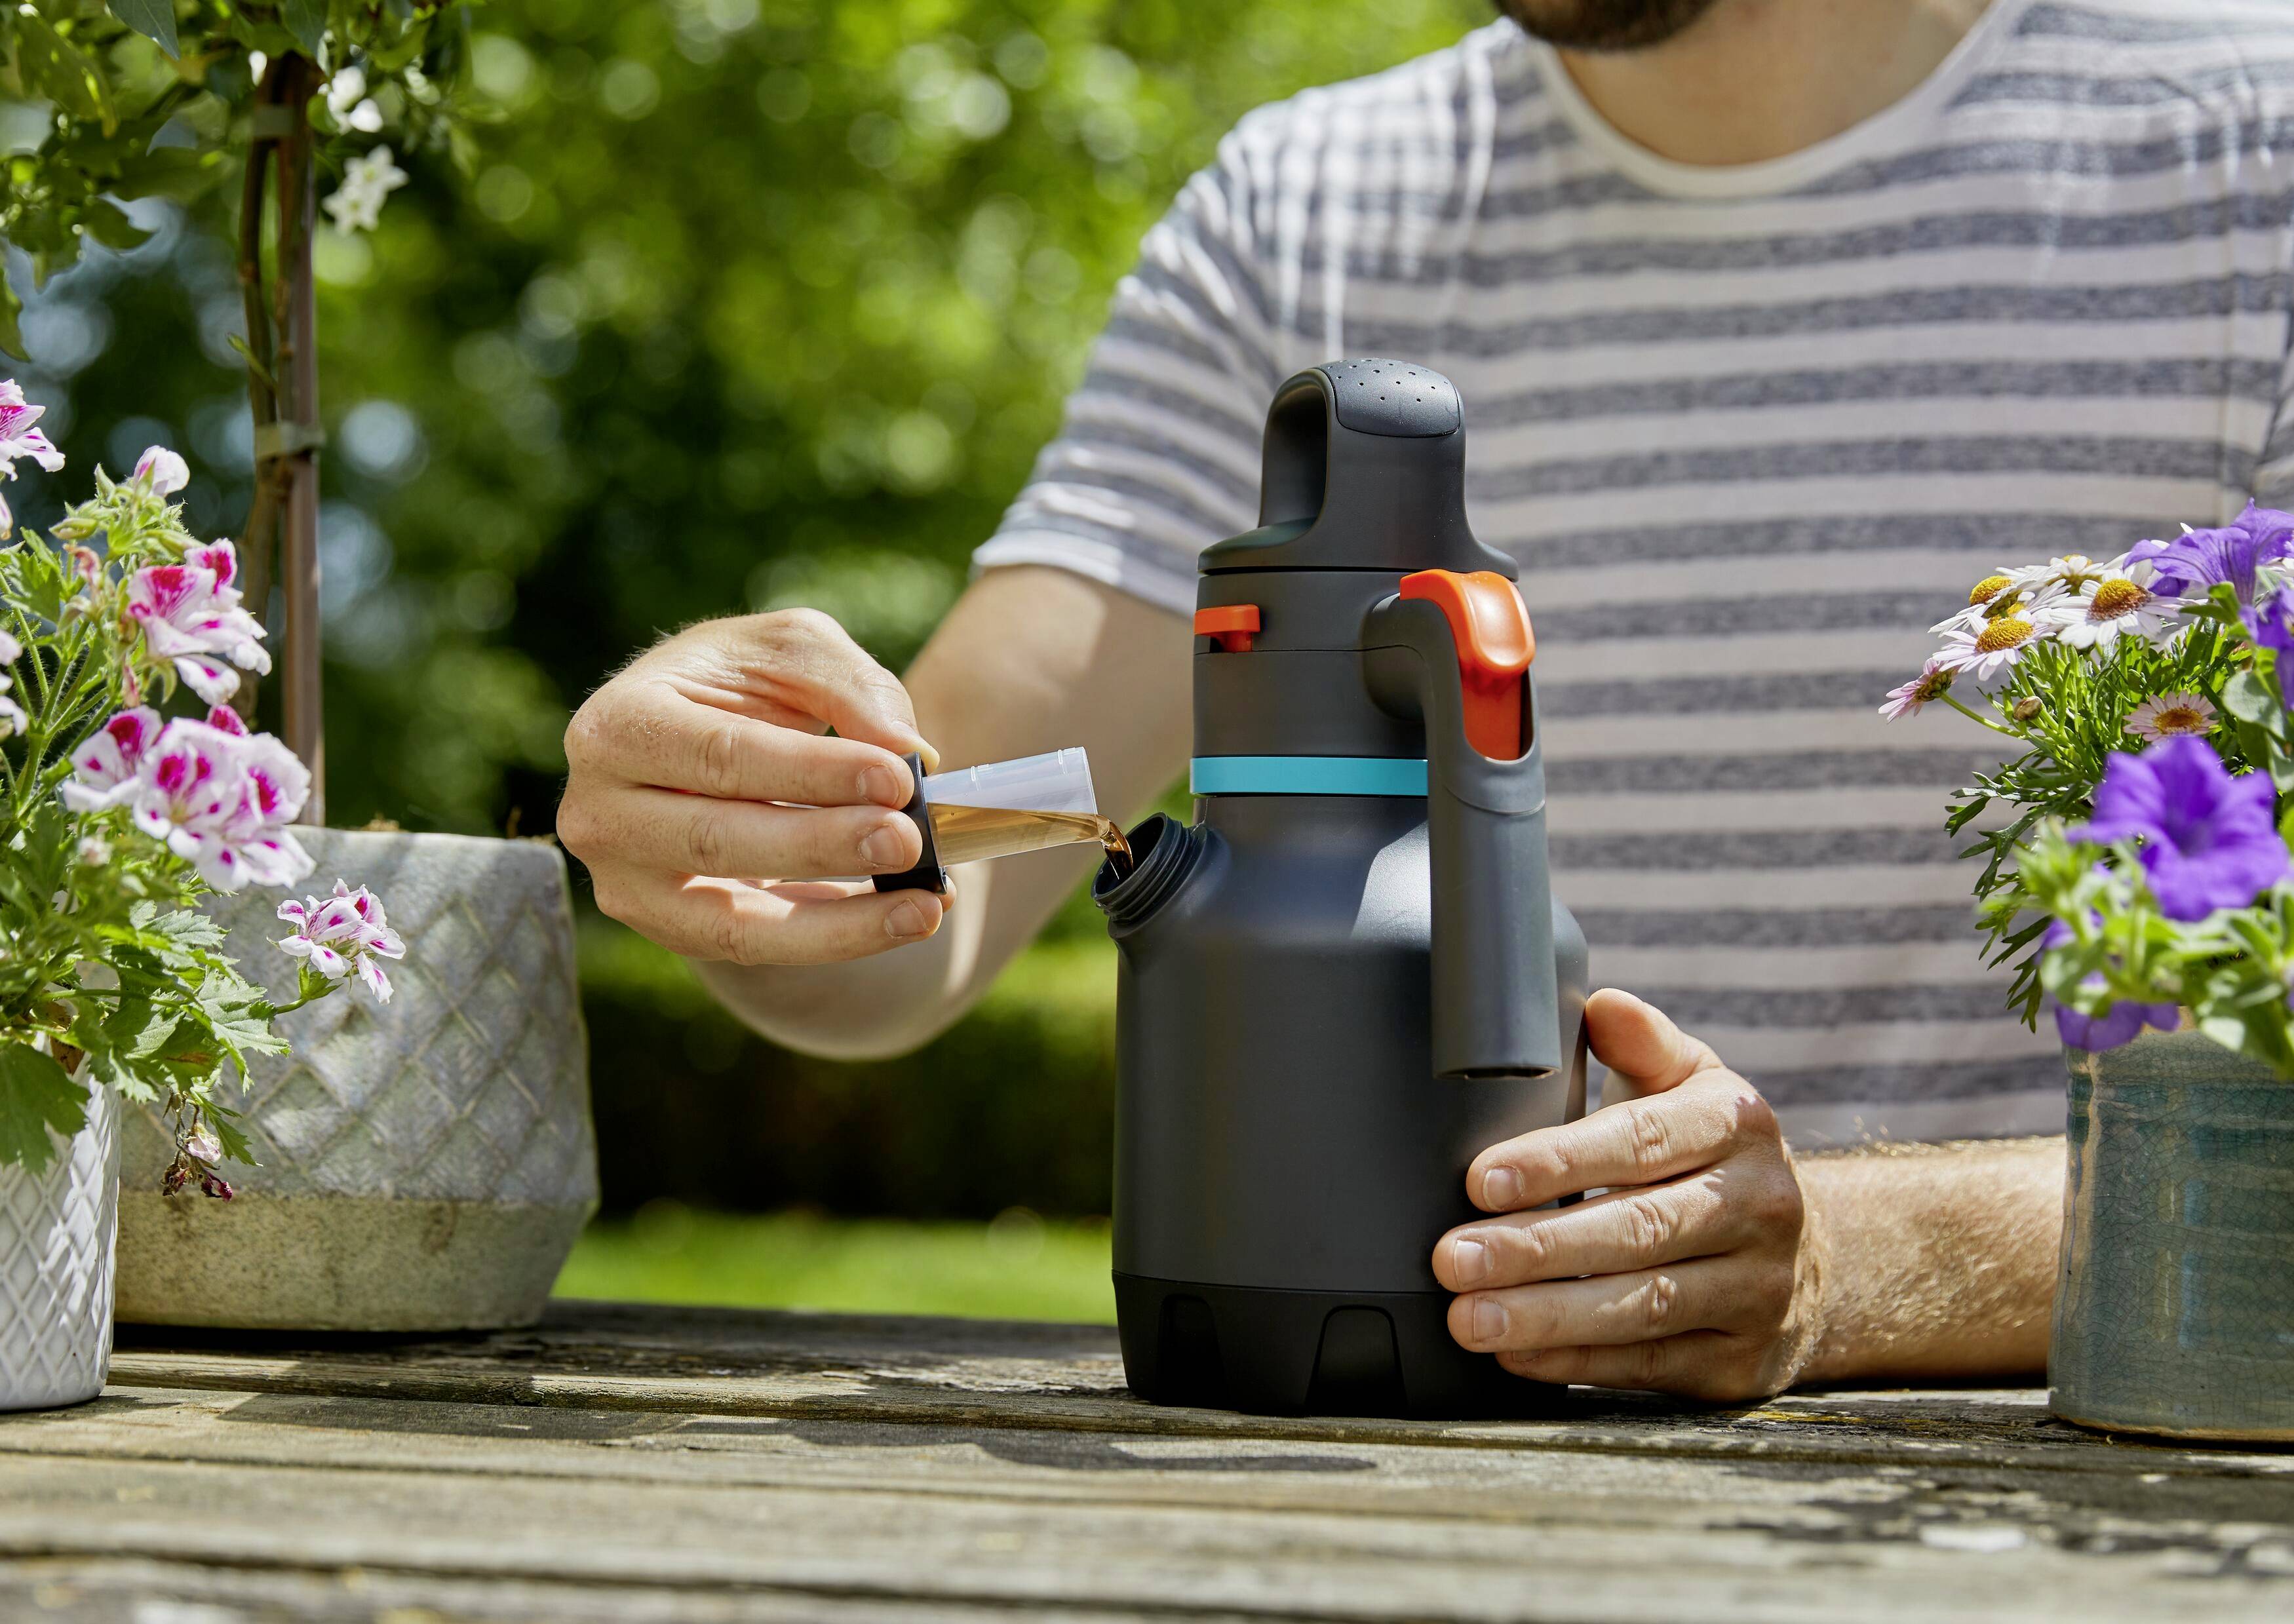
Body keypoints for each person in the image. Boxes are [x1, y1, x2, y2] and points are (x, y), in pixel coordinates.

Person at [558, 0, 2294, 1401]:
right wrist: (748, 797)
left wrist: (1858, 1263)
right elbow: (933, 873)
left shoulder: (2249, 152)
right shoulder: (1304, 208)